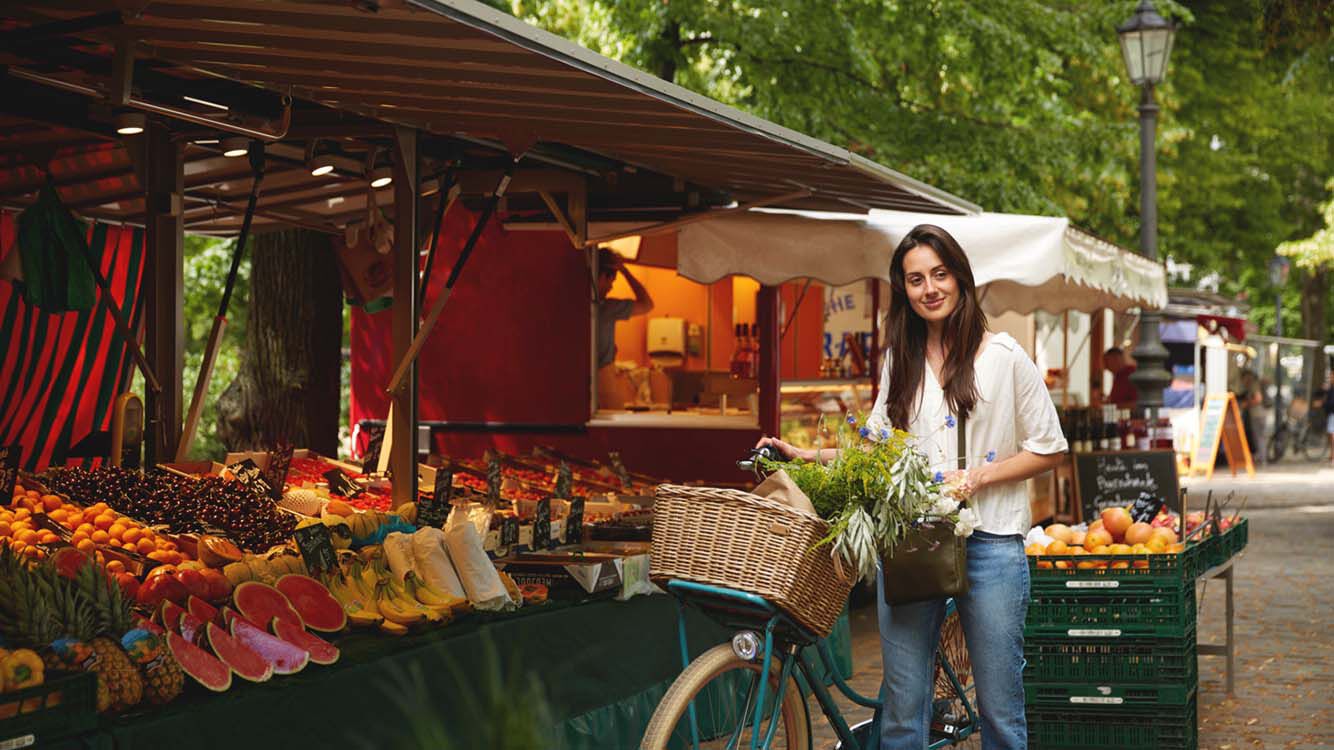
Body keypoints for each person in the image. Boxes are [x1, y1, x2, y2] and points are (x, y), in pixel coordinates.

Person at [757, 224, 1066, 749]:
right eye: (916, 279)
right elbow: (878, 448)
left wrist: (977, 476)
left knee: (999, 707)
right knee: (903, 705)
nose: (930, 288)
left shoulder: (1005, 358)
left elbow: (1050, 447)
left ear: (960, 279)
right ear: (905, 290)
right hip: (910, 541)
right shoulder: (901, 361)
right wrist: (810, 455)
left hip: (991, 542)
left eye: (940, 274)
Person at [595, 248, 653, 407]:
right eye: (610, 281)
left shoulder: (570, 305)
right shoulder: (606, 309)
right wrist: (624, 270)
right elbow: (647, 305)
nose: (610, 287)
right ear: (601, 277)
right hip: (603, 385)